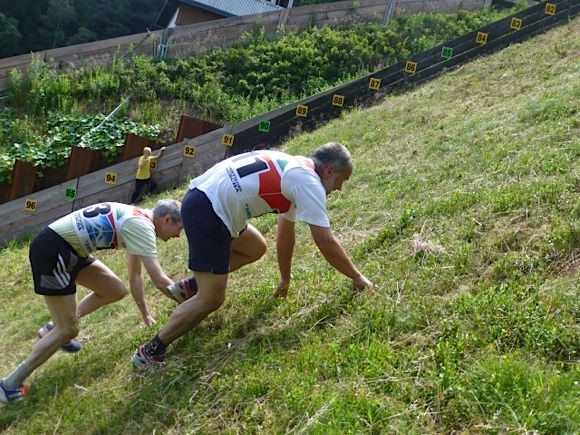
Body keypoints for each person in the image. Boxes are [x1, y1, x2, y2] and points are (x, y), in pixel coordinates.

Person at [132, 142, 373, 368]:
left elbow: (285, 232)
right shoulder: (309, 183)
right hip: (212, 211)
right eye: (343, 180)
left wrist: (285, 278)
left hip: (201, 197)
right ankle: (151, 351)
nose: (340, 188)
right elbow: (325, 240)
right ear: (330, 171)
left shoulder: (295, 165)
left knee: (256, 246)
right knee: (212, 299)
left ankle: (192, 286)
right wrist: (357, 277)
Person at [0, 199, 183, 403]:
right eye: (179, 228)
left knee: (114, 290)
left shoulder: (138, 218)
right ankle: (9, 384)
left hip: (69, 249)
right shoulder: (142, 226)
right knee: (68, 330)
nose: (178, 235)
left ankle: (52, 328)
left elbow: (135, 276)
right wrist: (192, 304)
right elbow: (160, 281)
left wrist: (145, 314)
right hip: (53, 250)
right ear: (167, 219)